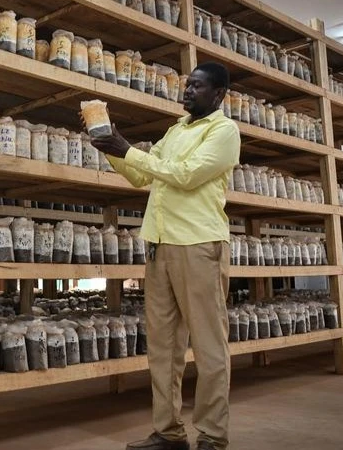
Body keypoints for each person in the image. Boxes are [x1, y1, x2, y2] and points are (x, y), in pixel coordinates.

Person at [92, 62, 240, 450]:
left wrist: (131, 152)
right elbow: (143, 177)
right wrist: (114, 148)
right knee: (163, 348)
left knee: (208, 347)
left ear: (218, 94)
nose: (188, 90)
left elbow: (187, 175)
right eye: (187, 84)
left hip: (198, 246)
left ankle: (212, 436)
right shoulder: (176, 130)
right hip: (159, 246)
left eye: (197, 86)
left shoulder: (223, 132)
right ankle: (168, 432)